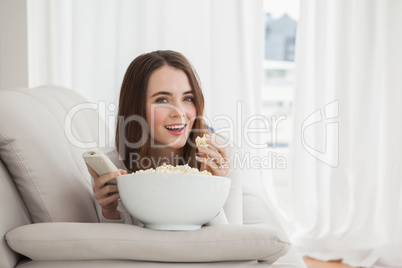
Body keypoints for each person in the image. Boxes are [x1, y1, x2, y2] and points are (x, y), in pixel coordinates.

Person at [86, 50, 242, 225]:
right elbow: (119, 247)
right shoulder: (112, 163)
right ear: (135, 109)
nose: (180, 112)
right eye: (162, 100)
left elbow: (232, 243)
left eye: (188, 98)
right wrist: (109, 211)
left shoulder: (221, 156)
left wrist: (213, 191)